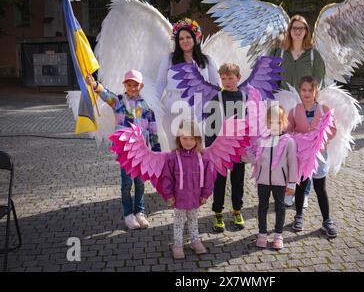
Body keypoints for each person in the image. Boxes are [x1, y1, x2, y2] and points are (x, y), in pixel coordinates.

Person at [85, 70, 161, 230]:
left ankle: (139, 212)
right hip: (126, 152)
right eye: (129, 85)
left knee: (140, 183)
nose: (132, 88)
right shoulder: (119, 101)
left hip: (142, 152)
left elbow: (153, 129)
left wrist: (156, 149)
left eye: (136, 85)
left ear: (141, 86)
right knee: (127, 184)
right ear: (124, 85)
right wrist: (95, 85)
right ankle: (128, 214)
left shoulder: (147, 106)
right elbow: (106, 94)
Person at [279, 15, 326, 208]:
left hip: (306, 107)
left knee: (305, 152)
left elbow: (319, 80)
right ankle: (288, 189)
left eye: (301, 28)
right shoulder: (280, 53)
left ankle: (303, 192)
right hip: (284, 106)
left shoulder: (313, 54)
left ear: (306, 31)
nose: (297, 31)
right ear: (289, 31)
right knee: (286, 149)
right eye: (294, 28)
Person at [155, 18, 220, 149]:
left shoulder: (207, 61)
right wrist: (152, 105)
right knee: (175, 148)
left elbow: (215, 87)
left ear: (195, 38)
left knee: (196, 146)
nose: (185, 41)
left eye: (188, 37)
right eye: (181, 39)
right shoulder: (169, 59)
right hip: (172, 109)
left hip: (198, 110)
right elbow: (160, 84)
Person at [286, 76, 338, 238]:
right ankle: (299, 216)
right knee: (300, 187)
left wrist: (321, 142)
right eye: (304, 90)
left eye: (310, 90)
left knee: (320, 188)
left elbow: (332, 130)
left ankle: (327, 221)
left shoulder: (324, 110)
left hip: (319, 157)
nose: (307, 93)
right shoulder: (295, 110)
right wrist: (296, 140)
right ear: (300, 91)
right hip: (301, 157)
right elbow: (288, 130)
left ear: (316, 91)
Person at [159, 120, 215, 259]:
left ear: (197, 139)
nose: (188, 142)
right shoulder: (172, 157)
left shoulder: (203, 157)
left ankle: (195, 241)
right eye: (185, 138)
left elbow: (208, 177)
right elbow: (166, 178)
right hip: (179, 198)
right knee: (178, 222)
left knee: (193, 220)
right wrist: (169, 195)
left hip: (195, 197)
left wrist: (205, 194)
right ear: (179, 138)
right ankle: (177, 245)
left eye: (192, 138)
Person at [205, 62, 247, 232]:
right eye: (223, 79)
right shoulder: (217, 98)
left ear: (238, 78)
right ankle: (218, 212)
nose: (227, 82)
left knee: (238, 181)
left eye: (230, 78)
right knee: (219, 182)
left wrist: (249, 146)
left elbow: (249, 123)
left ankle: (237, 210)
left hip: (238, 149)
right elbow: (210, 126)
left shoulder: (244, 97)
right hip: (220, 150)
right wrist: (210, 149)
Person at [249, 105, 297, 250]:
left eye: (278, 121)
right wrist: (245, 155)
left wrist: (292, 184)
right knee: (262, 207)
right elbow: (256, 159)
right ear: (267, 122)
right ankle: (262, 234)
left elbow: (293, 164)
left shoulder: (289, 141)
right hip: (263, 181)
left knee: (280, 207)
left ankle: (278, 235)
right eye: (271, 121)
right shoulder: (262, 140)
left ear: (283, 122)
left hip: (280, 181)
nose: (274, 125)